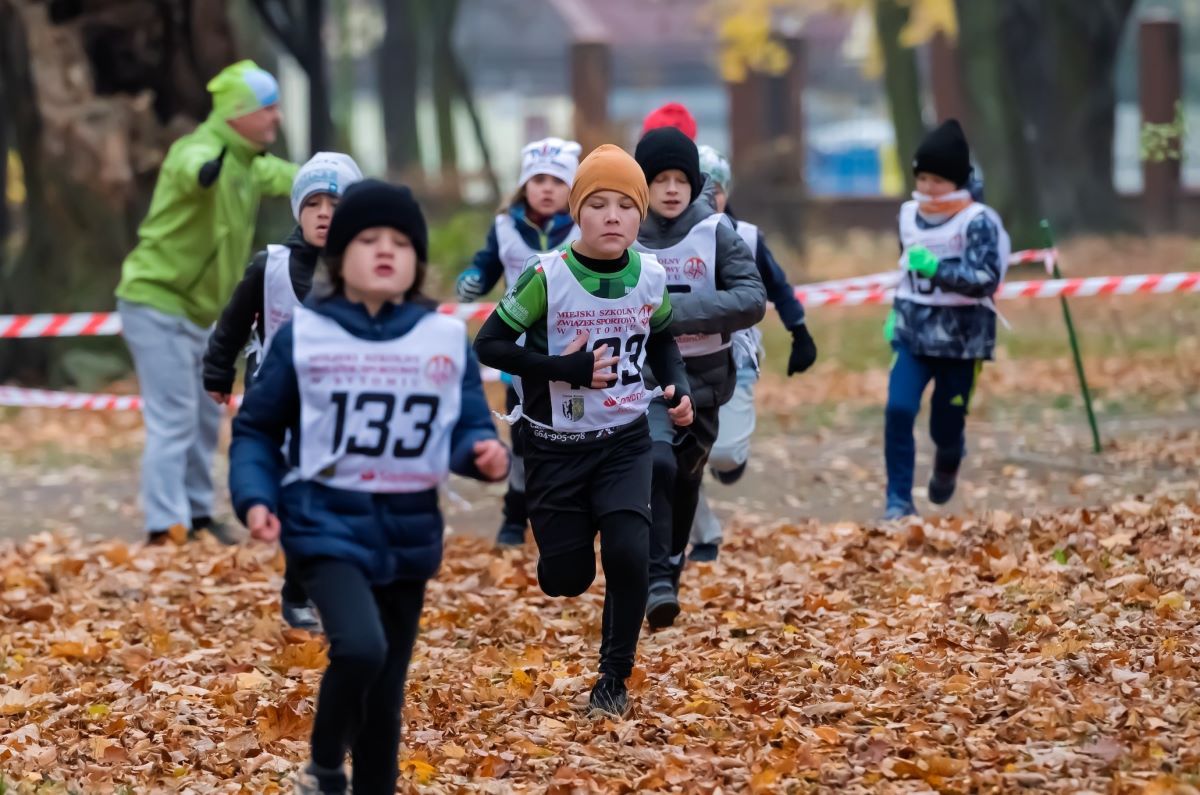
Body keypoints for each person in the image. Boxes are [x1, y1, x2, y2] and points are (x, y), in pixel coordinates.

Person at [229, 180, 509, 794]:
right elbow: (256, 429)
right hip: (322, 521)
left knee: (384, 697)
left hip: (410, 531)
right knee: (359, 648)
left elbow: (465, 427)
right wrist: (255, 497)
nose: (386, 250)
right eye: (368, 239)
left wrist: (483, 455)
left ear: (417, 259)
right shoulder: (305, 334)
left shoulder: (442, 338)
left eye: (400, 242)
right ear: (338, 256)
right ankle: (325, 767)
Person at [474, 145, 694, 718]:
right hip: (555, 447)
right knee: (566, 579)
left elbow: (663, 340)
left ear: (640, 215)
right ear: (577, 213)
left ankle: (613, 679)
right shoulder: (545, 276)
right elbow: (488, 345)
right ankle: (570, 541)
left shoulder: (650, 274)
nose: (612, 217)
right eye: (598, 205)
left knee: (628, 551)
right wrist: (562, 368)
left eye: (626, 205)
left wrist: (677, 387)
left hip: (624, 439)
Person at [114, 60, 297, 544]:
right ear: (238, 113)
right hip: (156, 302)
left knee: (204, 415)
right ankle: (164, 525)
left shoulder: (249, 163)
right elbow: (188, 165)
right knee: (173, 416)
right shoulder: (202, 150)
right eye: (268, 108)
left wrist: (339, 183)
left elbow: (294, 179)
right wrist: (204, 173)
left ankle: (197, 515)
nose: (276, 117)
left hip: (201, 313)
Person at [202, 151, 362, 632]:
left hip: (338, 408)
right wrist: (217, 373)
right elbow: (232, 324)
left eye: (335, 204)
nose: (323, 214)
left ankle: (322, 585)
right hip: (277, 405)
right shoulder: (269, 266)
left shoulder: (367, 270)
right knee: (297, 500)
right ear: (298, 210)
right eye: (312, 203)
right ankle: (298, 594)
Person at [631, 127, 766, 629]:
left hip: (707, 380)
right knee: (657, 463)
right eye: (659, 180)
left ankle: (670, 565)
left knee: (687, 475)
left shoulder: (715, 231)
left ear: (695, 183)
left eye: (680, 180)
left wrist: (672, 314)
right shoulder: (624, 232)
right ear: (642, 184)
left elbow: (751, 297)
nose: (671, 189)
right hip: (644, 379)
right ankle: (655, 577)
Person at [687, 145, 817, 562]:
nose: (707, 196)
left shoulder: (745, 237)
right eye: (697, 186)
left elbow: (778, 287)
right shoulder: (657, 238)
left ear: (727, 192)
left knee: (722, 456)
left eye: (715, 188)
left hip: (735, 360)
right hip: (674, 365)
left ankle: (728, 460)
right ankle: (703, 536)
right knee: (673, 459)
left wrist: (799, 332)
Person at [456, 137, 581, 549]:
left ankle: (572, 512)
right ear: (524, 185)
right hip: (520, 356)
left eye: (558, 181)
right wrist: (473, 280)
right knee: (524, 439)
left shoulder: (584, 226)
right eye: (538, 180)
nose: (547, 189)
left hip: (575, 351)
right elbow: (485, 266)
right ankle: (514, 515)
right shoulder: (504, 227)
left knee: (574, 435)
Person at [884, 119, 1011, 520]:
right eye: (922, 178)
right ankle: (898, 501)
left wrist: (938, 269)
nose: (927, 187)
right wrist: (894, 313)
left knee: (945, 424)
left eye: (937, 180)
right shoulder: (907, 215)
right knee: (898, 410)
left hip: (962, 341)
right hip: (913, 334)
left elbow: (986, 279)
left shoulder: (977, 220)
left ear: (956, 180)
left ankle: (949, 458)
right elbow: (906, 270)